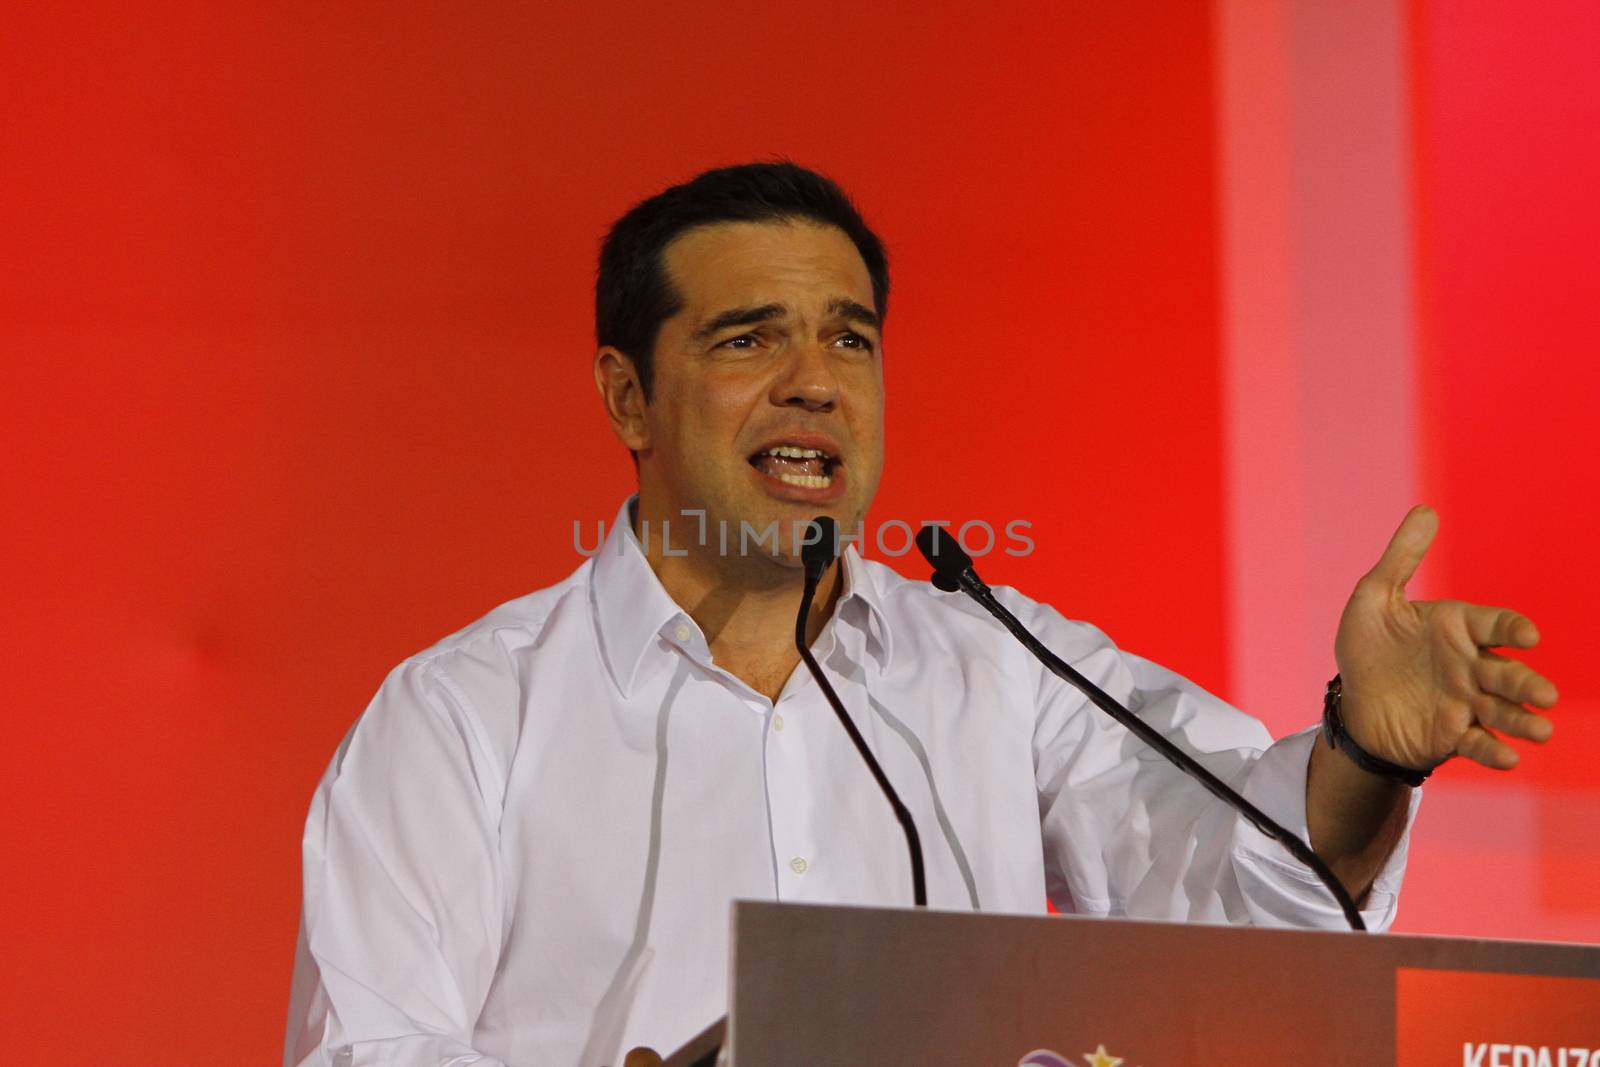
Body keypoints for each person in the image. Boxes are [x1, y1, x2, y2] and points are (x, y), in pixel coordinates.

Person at [284, 162, 1559, 1067]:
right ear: (628, 399)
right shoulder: (463, 714)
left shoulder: (997, 663)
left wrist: (1370, 755)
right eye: (747, 340)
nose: (814, 385)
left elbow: (1242, 905)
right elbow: (367, 1048)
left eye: (850, 340)